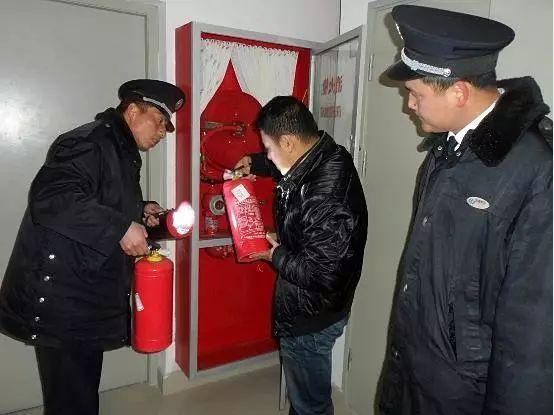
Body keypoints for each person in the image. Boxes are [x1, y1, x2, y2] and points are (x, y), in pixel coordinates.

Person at [378, 5, 552, 415]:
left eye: (416, 94)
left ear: (458, 92)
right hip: (417, 369)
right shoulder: (448, 150)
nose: (409, 105)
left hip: (463, 392)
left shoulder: (537, 170)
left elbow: (534, 331)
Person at [0, 79, 185, 415]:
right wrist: (120, 227)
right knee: (72, 402)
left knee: (80, 393)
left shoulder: (119, 148)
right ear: (132, 111)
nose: (162, 132)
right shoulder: (90, 142)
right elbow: (53, 199)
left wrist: (139, 209)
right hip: (62, 300)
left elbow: (96, 198)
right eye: (159, 121)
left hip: (81, 296)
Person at [234, 96, 368, 415]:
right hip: (315, 307)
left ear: (288, 142)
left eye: (268, 148)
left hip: (311, 317)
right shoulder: (324, 155)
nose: (268, 154)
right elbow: (295, 172)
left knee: (310, 405)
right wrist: (255, 162)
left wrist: (275, 254)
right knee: (305, 399)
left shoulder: (326, 194)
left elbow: (323, 273)